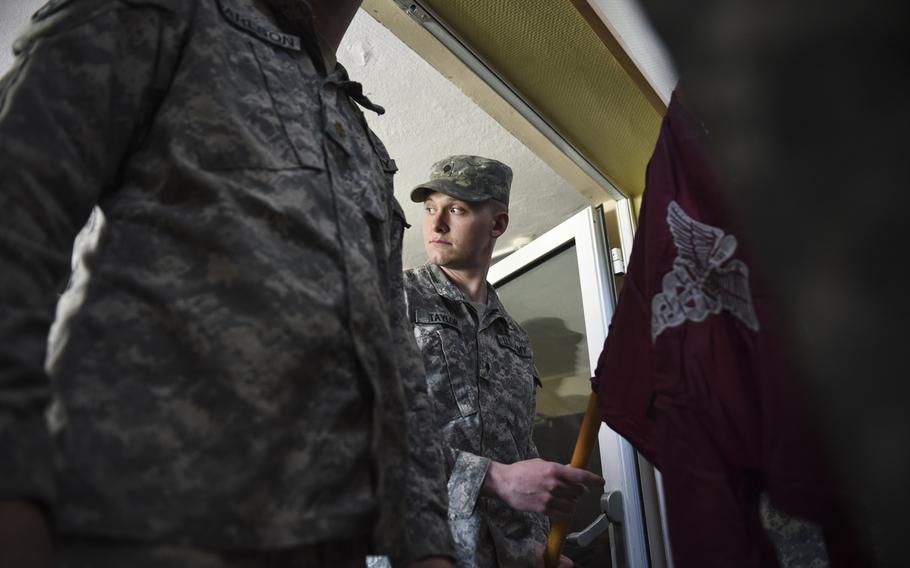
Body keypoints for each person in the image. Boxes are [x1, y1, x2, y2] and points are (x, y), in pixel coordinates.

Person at [0, 1, 454, 567]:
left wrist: (429, 545)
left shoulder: (362, 140)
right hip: (139, 525)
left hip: (327, 540)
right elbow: (15, 213)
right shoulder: (169, 12)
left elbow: (396, 362)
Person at [403, 156, 604, 567]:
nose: (435, 224)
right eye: (429, 209)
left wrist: (536, 547)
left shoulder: (513, 338)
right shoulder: (392, 295)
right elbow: (357, 427)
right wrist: (494, 478)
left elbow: (519, 453)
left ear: (497, 225)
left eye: (455, 210)